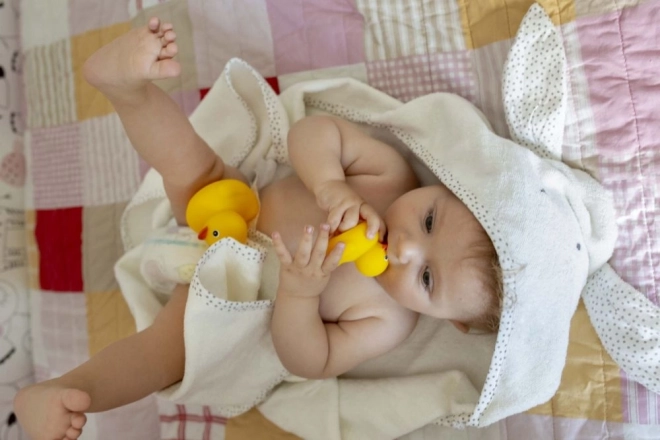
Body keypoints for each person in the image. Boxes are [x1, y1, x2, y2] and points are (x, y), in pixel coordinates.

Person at [14, 18, 502, 440]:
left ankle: (67, 391)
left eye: (427, 279)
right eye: (431, 219)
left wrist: (300, 294)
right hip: (234, 210)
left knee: (163, 355)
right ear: (450, 186)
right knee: (191, 163)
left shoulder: (389, 321)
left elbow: (309, 359)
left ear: (450, 321)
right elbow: (311, 134)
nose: (409, 245)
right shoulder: (389, 176)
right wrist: (331, 183)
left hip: (231, 294)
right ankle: (127, 89)